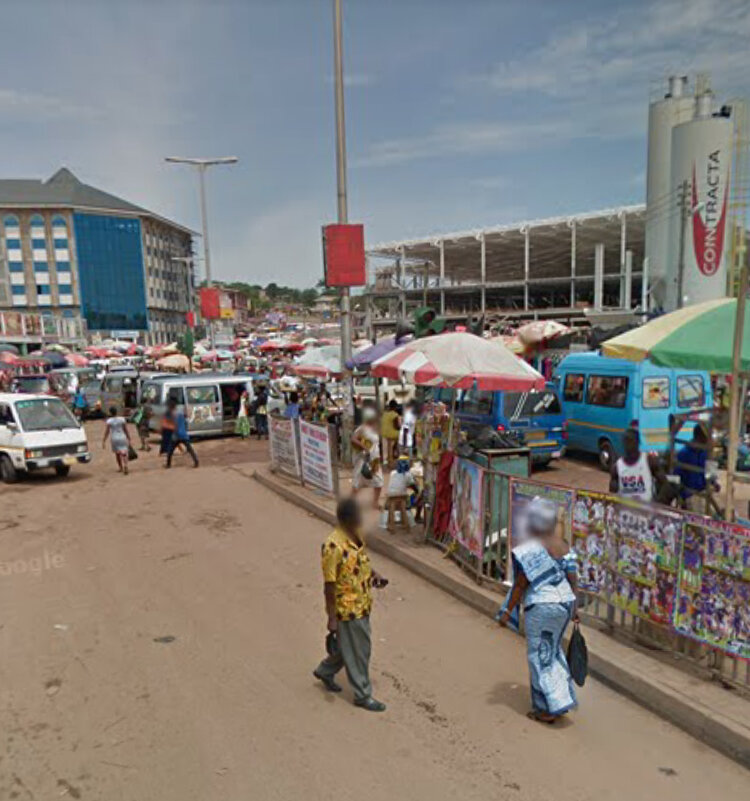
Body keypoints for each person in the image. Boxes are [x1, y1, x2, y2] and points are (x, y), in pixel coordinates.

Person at [497, 497, 579, 723]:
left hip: (541, 607)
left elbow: (521, 584)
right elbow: (573, 581)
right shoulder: (565, 547)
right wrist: (575, 609)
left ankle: (545, 708)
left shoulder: (531, 549)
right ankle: (560, 701)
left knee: (538, 656)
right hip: (563, 607)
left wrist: (506, 612)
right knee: (552, 653)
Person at [312, 497, 388, 712]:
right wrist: (332, 617)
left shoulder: (356, 536)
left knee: (350, 646)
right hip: (348, 609)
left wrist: (375, 575)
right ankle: (363, 695)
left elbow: (360, 562)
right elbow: (329, 586)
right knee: (360, 650)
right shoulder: (332, 546)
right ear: (347, 519)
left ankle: (326, 670)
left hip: (363, 602)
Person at [610, 426, 663, 503]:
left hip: (646, 512)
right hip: (625, 512)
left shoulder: (649, 461)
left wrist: (657, 504)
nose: (628, 444)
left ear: (637, 442)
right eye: (625, 441)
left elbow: (665, 485)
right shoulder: (617, 467)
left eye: (630, 441)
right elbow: (612, 495)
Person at [675, 423, 715, 513]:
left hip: (704, 493)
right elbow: (677, 476)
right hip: (690, 495)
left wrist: (714, 483)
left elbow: (711, 474)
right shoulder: (684, 453)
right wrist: (682, 496)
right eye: (704, 438)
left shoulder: (705, 453)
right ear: (698, 437)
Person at [351, 407, 383, 508]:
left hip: (374, 458)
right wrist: (364, 447)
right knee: (358, 481)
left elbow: (376, 444)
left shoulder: (375, 429)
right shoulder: (362, 428)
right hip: (363, 458)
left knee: (379, 481)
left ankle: (375, 502)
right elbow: (353, 439)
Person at [165, 398, 199, 469]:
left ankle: (168, 465)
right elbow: (185, 422)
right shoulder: (180, 413)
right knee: (190, 449)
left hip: (177, 435)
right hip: (183, 434)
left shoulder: (172, 414)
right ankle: (196, 462)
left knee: (170, 451)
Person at [102, 406, 132, 475]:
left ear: (110, 413)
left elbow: (107, 431)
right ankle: (126, 465)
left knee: (117, 453)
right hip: (122, 437)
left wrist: (104, 440)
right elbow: (125, 429)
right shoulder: (122, 419)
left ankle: (120, 467)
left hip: (114, 438)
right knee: (124, 452)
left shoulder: (109, 421)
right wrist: (129, 437)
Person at [381, 400, 401, 466]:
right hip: (392, 435)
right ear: (395, 407)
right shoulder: (395, 415)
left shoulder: (384, 414)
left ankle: (386, 461)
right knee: (395, 447)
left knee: (386, 449)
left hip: (384, 434)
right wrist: (400, 426)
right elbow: (397, 426)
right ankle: (393, 459)